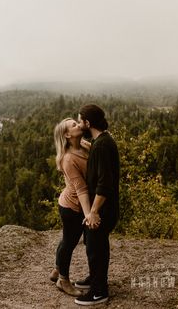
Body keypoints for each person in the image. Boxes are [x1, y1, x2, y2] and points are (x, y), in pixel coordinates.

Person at [74, 104, 120, 306]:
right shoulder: (102, 141)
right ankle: (95, 279)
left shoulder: (101, 146)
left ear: (88, 123)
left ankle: (99, 291)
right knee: (95, 245)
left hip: (102, 209)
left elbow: (105, 183)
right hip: (106, 208)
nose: (77, 124)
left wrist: (93, 211)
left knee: (96, 248)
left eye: (79, 121)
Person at [50, 118, 93, 296]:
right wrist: (89, 214)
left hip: (77, 204)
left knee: (68, 239)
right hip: (72, 207)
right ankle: (63, 281)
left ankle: (57, 270)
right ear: (67, 135)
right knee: (69, 242)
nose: (79, 125)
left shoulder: (85, 146)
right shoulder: (68, 159)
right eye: (74, 125)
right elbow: (81, 189)